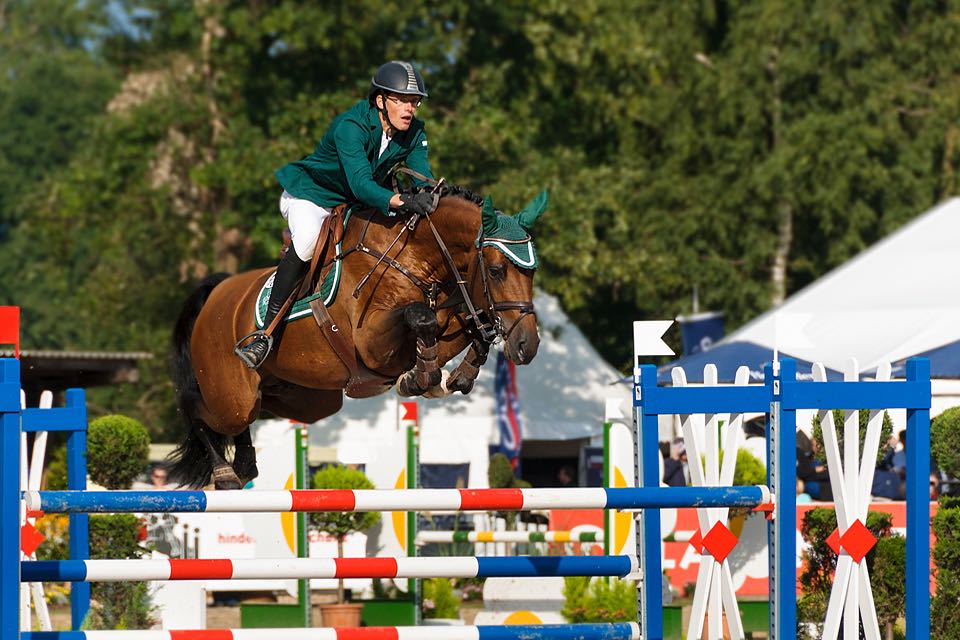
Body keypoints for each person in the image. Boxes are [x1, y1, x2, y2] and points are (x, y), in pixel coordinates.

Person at [236, 60, 436, 369]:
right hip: (313, 195)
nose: (410, 109)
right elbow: (360, 185)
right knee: (306, 243)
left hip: (357, 204)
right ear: (380, 101)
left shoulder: (415, 132)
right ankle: (264, 334)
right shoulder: (350, 127)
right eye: (401, 100)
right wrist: (401, 200)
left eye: (414, 101)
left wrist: (427, 195)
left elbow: (422, 176)